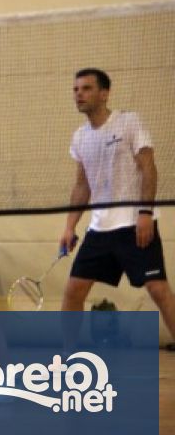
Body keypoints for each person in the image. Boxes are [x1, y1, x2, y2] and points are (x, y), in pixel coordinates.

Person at [59, 68, 175, 336]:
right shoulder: (80, 136)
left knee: (158, 289)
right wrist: (69, 226)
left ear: (104, 93)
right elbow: (82, 185)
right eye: (76, 89)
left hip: (134, 224)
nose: (79, 94)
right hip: (99, 230)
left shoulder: (128, 122)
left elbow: (148, 167)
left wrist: (145, 212)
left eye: (86, 88)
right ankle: (66, 354)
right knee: (73, 290)